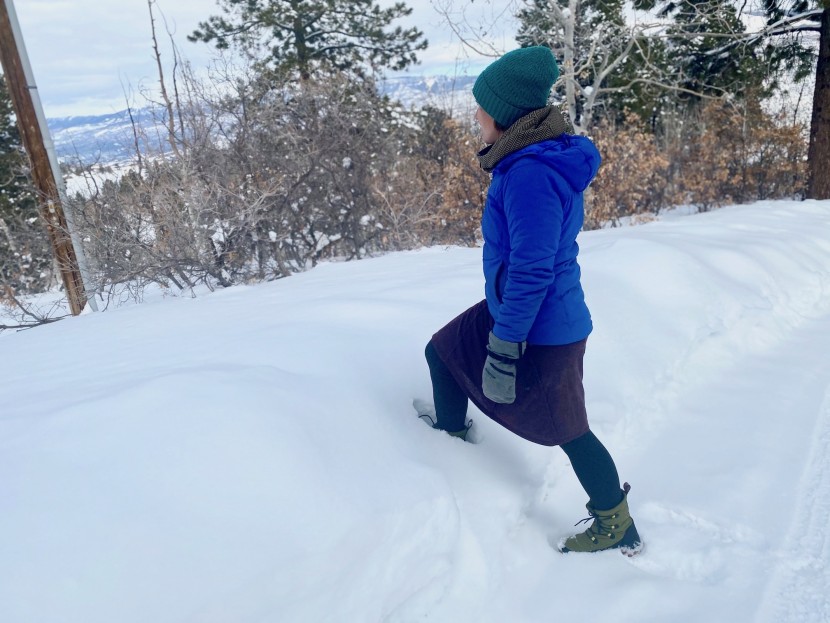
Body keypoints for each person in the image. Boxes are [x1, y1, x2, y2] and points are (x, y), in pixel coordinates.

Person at [418, 46, 642, 555]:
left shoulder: (530, 175)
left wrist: (504, 345)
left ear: (504, 115)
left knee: (571, 431)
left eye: (481, 108)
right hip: (518, 311)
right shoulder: (530, 159)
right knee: (443, 351)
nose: (475, 116)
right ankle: (449, 445)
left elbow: (532, 268)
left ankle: (616, 524)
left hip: (544, 327)